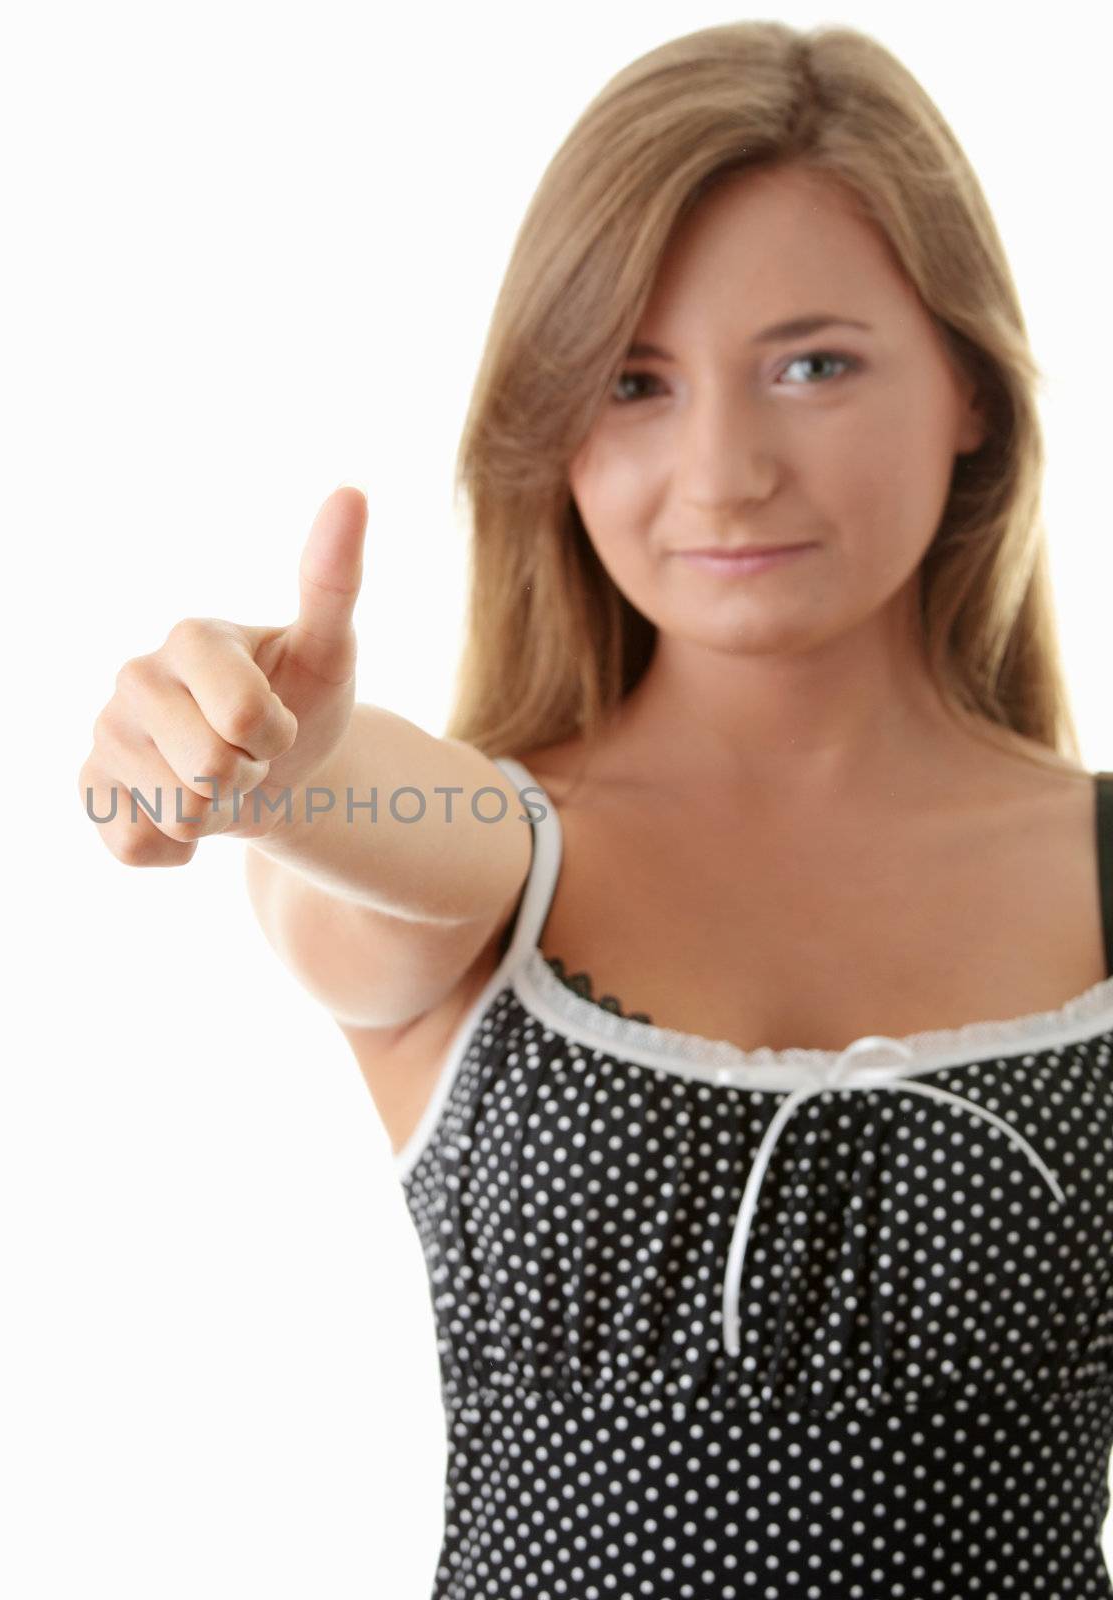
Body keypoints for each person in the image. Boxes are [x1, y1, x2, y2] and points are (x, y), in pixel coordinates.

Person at [81, 19, 1113, 1599]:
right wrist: (282, 776)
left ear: (970, 389)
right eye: (635, 382)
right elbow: (379, 844)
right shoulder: (498, 856)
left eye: (813, 365)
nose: (722, 471)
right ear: (550, 426)